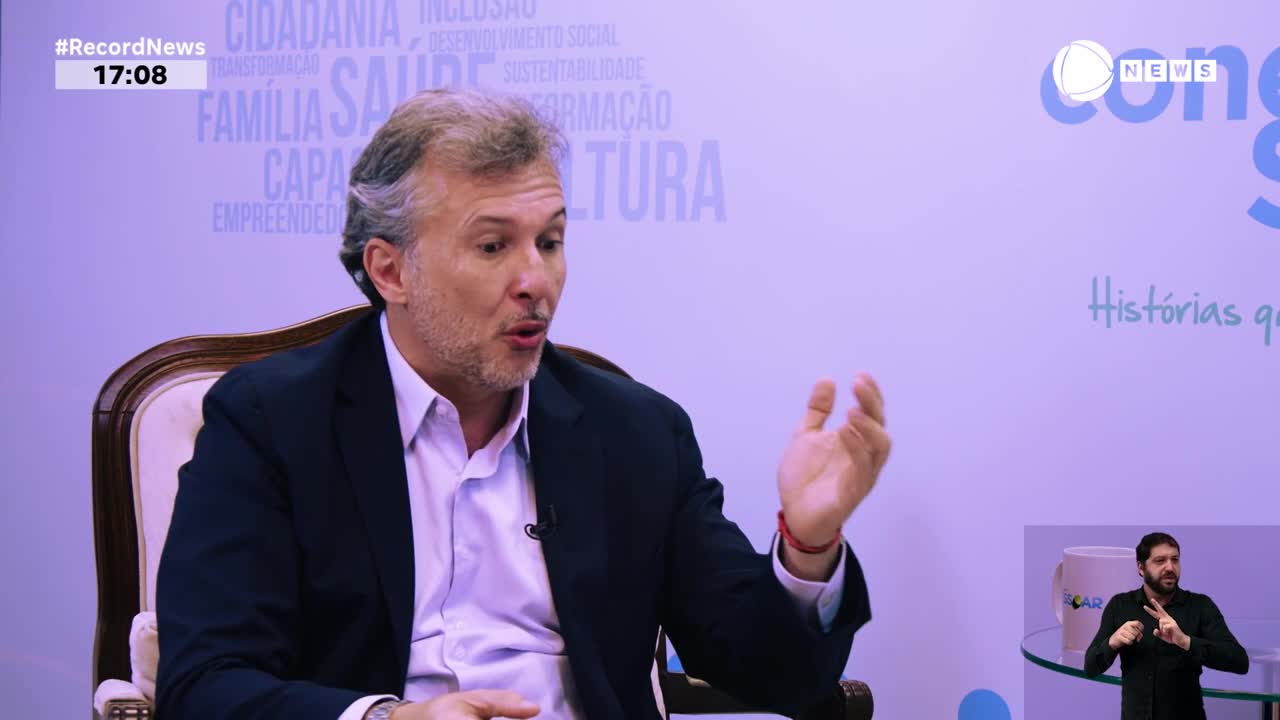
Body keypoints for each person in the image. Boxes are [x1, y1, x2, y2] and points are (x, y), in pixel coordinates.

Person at [154, 88, 890, 720]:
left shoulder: (635, 433)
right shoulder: (271, 424)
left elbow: (776, 676)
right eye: (493, 246)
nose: (536, 278)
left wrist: (808, 547)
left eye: (551, 240)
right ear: (391, 270)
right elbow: (205, 684)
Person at [1084, 532, 1249, 720]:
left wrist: (1186, 641)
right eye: (1160, 561)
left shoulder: (1200, 606)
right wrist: (1112, 642)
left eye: (1175, 559)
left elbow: (1239, 661)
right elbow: (1090, 667)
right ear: (1141, 567)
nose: (1170, 567)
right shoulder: (1120, 605)